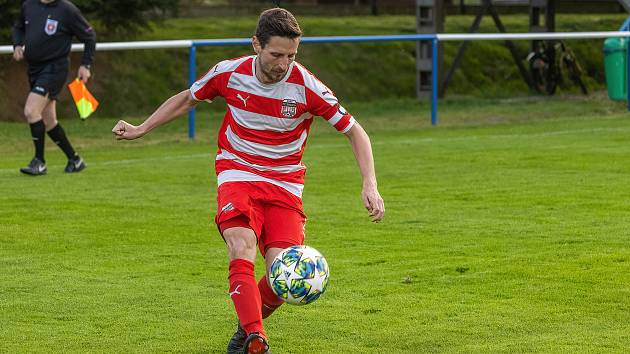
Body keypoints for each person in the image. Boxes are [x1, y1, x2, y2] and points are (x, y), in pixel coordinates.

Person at [112, 8, 385, 354]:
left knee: (284, 275)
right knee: (241, 245)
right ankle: (257, 339)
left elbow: (355, 131)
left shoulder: (306, 86)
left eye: (291, 55)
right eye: (276, 54)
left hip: (285, 183)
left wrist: (369, 184)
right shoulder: (230, 73)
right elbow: (186, 99)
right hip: (237, 171)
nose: (283, 63)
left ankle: (245, 330)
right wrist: (141, 129)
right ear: (256, 44)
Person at [12, 0, 95, 176]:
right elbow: (18, 27)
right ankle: (75, 160)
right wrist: (17, 44)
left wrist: (85, 65)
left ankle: (39, 162)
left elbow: (89, 37)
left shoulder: (67, 10)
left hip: (54, 69)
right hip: (34, 69)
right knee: (49, 120)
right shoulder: (29, 5)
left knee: (31, 111)